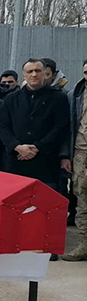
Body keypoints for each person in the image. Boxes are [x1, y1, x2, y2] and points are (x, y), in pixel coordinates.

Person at [0, 59, 69, 185]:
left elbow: (61, 127)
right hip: (16, 160)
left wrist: (38, 147)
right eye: (30, 71)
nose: (34, 74)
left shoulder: (59, 98)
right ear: (24, 75)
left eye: (38, 71)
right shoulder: (11, 99)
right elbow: (3, 126)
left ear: (44, 73)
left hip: (46, 162)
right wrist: (17, 146)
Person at [63, 59, 87, 261]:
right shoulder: (76, 94)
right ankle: (83, 244)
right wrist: (68, 155)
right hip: (81, 153)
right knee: (82, 200)